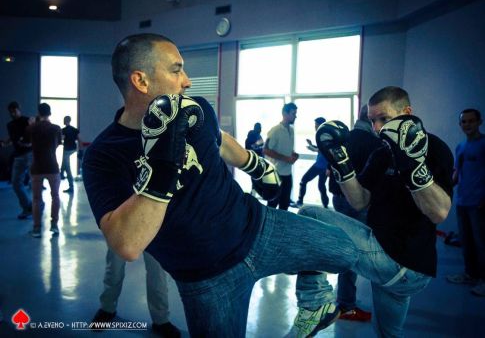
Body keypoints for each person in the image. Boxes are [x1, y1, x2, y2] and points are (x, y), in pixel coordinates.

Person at [82, 34, 449, 338]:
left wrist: (259, 168)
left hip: (261, 227)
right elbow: (127, 244)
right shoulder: (104, 155)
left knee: (343, 247)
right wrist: (162, 164)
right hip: (207, 279)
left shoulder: (196, 108)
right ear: (141, 81)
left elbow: (221, 140)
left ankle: (317, 301)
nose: (187, 80)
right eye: (177, 69)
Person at [314, 86, 453, 337]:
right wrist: (341, 164)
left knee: (309, 213)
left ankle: (314, 305)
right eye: (372, 120)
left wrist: (411, 166)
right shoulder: (381, 153)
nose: (377, 128)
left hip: (400, 261)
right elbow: (360, 201)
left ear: (407, 113)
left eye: (384, 119)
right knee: (388, 334)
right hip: (387, 259)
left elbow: (439, 213)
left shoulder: (434, 149)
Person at [326, 104, 382, 322]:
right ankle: (346, 304)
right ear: (372, 119)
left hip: (338, 198)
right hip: (356, 202)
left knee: (346, 246)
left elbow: (332, 170)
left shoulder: (344, 137)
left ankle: (343, 298)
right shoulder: (375, 143)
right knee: (353, 250)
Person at [91, 248, 180, 337]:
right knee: (114, 269)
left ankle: (161, 320)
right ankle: (107, 309)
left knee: (157, 275)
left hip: (152, 235)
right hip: (121, 234)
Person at [447, 108, 485, 296]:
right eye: (464, 122)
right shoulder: (461, 147)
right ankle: (470, 274)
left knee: (481, 243)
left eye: (471, 121)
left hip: (479, 204)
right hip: (462, 201)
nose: (467, 125)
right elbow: (457, 174)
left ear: (480, 122)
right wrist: (445, 189)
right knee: (466, 242)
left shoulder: (484, 144)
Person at [24, 103, 62, 238]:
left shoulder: (31, 128)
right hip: (52, 166)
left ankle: (37, 228)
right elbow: (58, 144)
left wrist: (32, 123)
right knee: (55, 196)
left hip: (37, 167)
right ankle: (54, 225)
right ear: (50, 113)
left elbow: (27, 143)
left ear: (39, 113)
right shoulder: (56, 128)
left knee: (36, 198)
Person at [264, 103, 299, 210]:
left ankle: (281, 226)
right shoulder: (275, 130)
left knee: (285, 205)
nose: (295, 116)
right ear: (285, 113)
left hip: (287, 174)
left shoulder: (292, 130)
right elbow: (266, 150)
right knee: (272, 205)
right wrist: (286, 158)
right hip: (276, 174)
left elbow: (288, 149)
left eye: (296, 113)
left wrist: (293, 155)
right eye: (293, 113)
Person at [5, 102, 33, 219]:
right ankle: (27, 207)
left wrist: (29, 143)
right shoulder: (10, 125)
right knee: (16, 183)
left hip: (30, 153)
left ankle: (34, 207)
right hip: (18, 155)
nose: (13, 113)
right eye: (11, 112)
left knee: (35, 183)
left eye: (14, 111)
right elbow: (13, 139)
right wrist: (6, 142)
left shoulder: (27, 121)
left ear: (19, 109)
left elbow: (33, 135)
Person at [296, 117, 329, 208]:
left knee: (303, 180)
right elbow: (321, 148)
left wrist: (313, 149)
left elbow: (324, 149)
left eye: (316, 125)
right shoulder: (324, 134)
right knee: (321, 186)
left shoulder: (323, 135)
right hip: (324, 166)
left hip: (320, 165)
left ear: (320, 125)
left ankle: (299, 202)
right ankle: (325, 206)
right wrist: (311, 145)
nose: (315, 127)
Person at [60, 115, 82, 193]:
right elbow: (79, 140)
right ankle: (61, 173)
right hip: (73, 149)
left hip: (67, 150)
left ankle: (71, 186)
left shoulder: (63, 130)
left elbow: (61, 139)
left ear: (65, 120)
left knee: (67, 168)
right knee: (65, 165)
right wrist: (80, 150)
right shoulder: (75, 130)